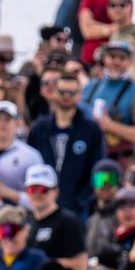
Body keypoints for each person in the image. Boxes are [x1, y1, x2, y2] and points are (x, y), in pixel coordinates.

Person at [26, 73, 108, 220]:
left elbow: (100, 167)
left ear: (79, 95)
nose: (66, 96)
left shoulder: (91, 128)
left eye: (72, 92)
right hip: (42, 204)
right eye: (62, 92)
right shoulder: (39, 127)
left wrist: (85, 200)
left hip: (78, 208)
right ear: (55, 93)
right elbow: (29, 164)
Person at [21, 164, 88, 259]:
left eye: (43, 189)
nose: (37, 193)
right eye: (32, 189)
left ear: (55, 191)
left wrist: (40, 265)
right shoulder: (26, 222)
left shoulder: (68, 221)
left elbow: (80, 264)